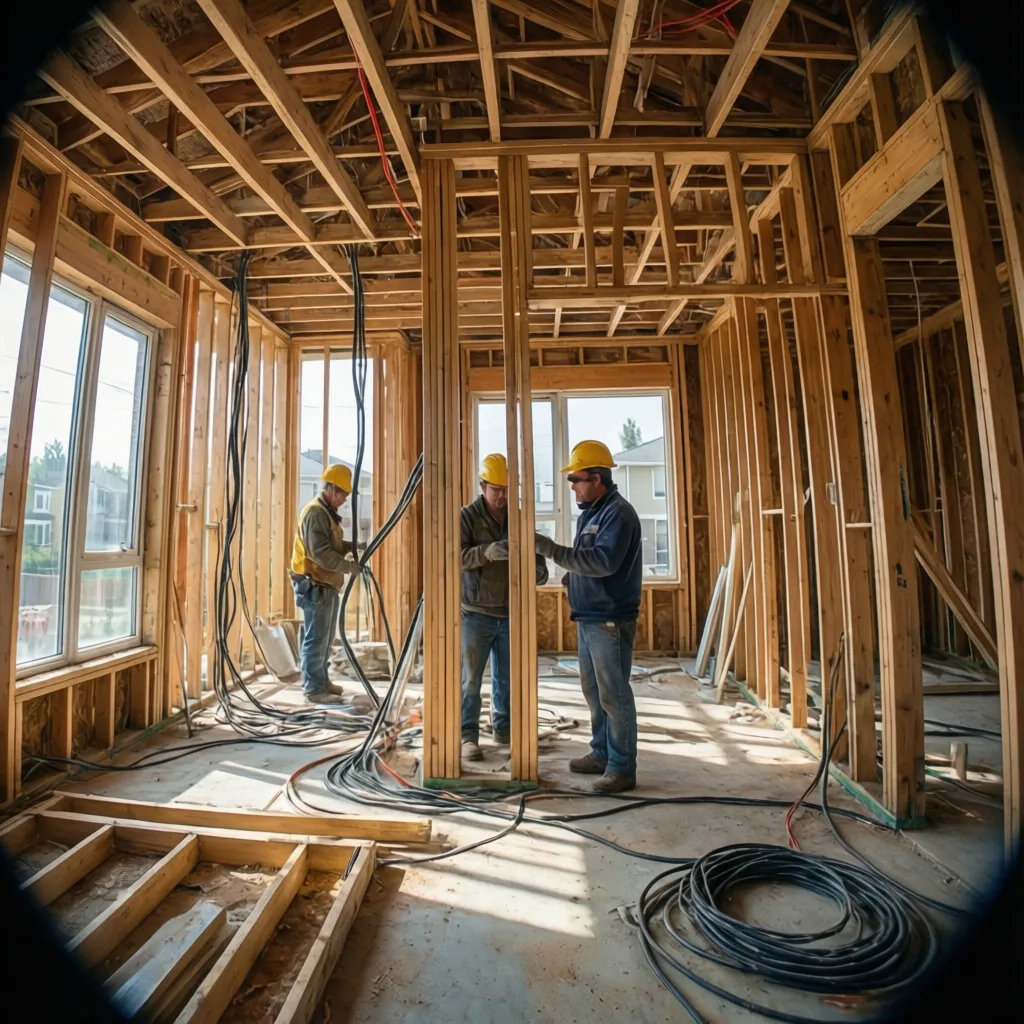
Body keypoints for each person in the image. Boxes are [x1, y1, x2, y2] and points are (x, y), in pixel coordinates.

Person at [534, 440, 643, 793]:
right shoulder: (592, 514)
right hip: (588, 615)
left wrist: (550, 549)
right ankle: (601, 753)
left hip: (609, 617)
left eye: (576, 479)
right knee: (594, 692)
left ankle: (621, 768)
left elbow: (603, 562)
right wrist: (573, 578)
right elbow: (586, 560)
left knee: (614, 694)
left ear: (597, 479)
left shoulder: (618, 514)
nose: (572, 487)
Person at [461, 453, 549, 761]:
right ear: (483, 486)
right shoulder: (467, 517)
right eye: (496, 489)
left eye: (507, 489)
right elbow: (456, 557)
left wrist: (539, 571)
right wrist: (487, 552)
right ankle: (467, 735)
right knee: (471, 680)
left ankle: (503, 728)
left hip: (509, 612)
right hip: (475, 612)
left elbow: (537, 558)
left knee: (507, 678)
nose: (502, 495)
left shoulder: (519, 517)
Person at [290, 464, 360, 704]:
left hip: (325, 584)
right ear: (331, 489)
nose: (345, 499)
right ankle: (313, 689)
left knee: (326, 637)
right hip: (314, 584)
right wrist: (348, 567)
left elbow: (331, 545)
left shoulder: (327, 513)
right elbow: (320, 553)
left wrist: (352, 547)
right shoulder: (315, 513)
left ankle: (321, 680)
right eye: (343, 494)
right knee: (317, 638)